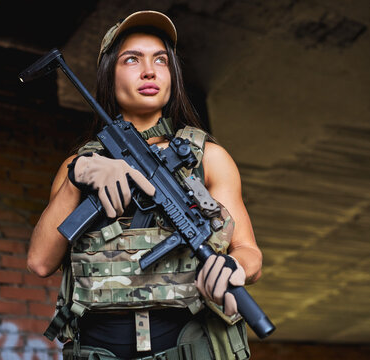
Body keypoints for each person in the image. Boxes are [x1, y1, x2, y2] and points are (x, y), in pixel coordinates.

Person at [27, 10, 263, 360]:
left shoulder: (207, 158)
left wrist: (234, 267)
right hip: (98, 348)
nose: (149, 70)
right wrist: (78, 177)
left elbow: (250, 253)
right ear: (110, 74)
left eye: (161, 60)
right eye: (132, 59)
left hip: (190, 344)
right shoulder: (79, 165)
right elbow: (40, 262)